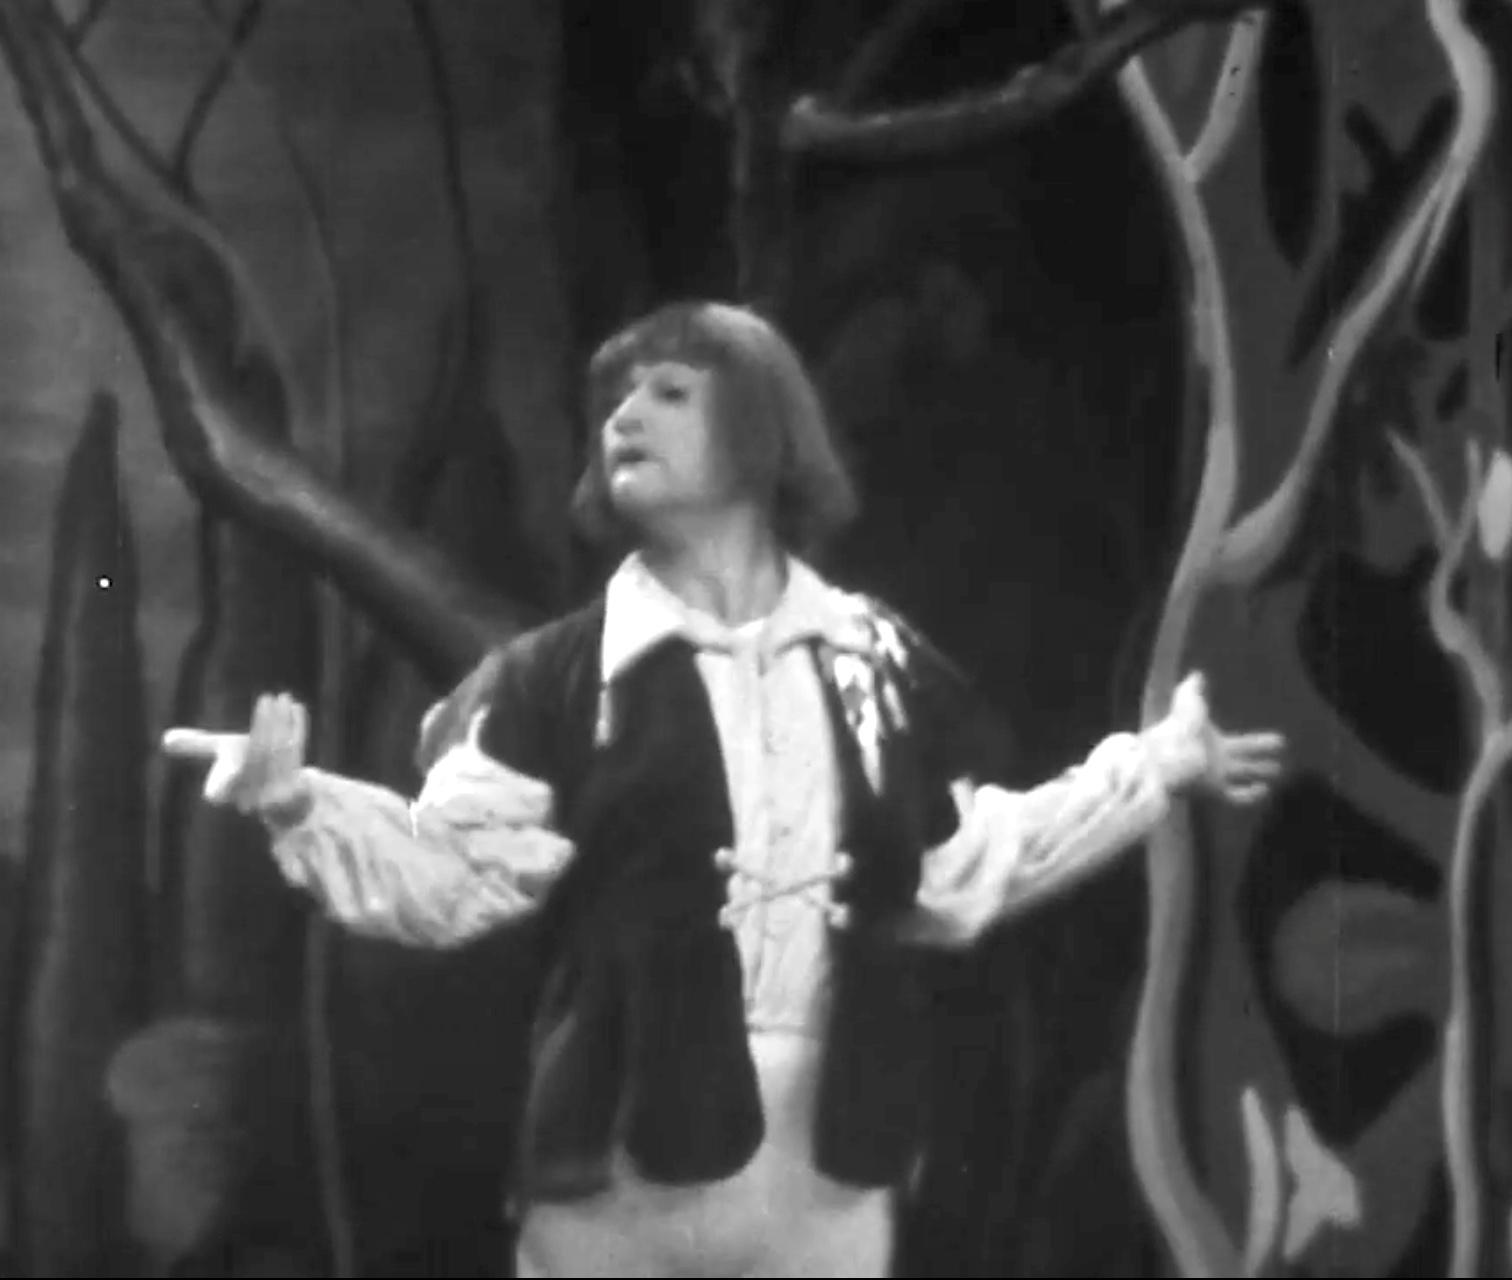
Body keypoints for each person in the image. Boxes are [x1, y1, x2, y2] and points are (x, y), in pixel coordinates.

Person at [163, 300, 1286, 1278]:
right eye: (614, 400)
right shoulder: (558, 679)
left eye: (668, 392)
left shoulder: (872, 664)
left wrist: (1156, 768)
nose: (623, 418)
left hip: (829, 1178)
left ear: (760, 429)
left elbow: (960, 872)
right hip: (616, 1178)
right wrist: (299, 803)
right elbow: (455, 875)